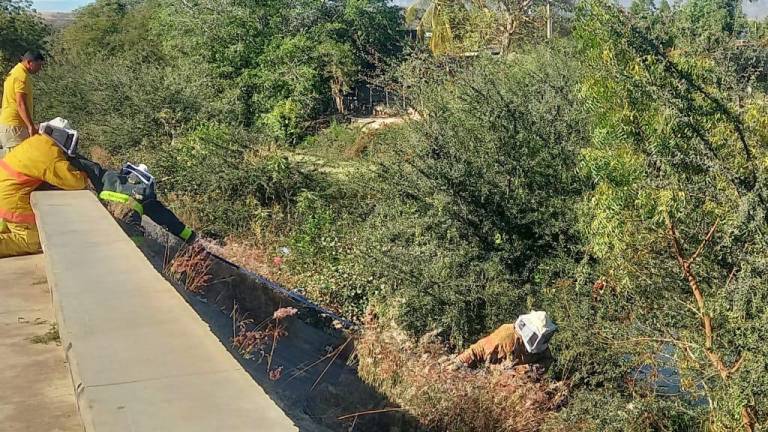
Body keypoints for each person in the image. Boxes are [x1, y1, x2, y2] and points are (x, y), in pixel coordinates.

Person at [0, 118, 87, 258]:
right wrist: (84, 175)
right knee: (31, 241)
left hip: (5, 190)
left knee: (13, 226)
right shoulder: (50, 155)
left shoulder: (36, 141)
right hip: (11, 200)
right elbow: (74, 182)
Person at [68, 153, 196, 244]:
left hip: (98, 218)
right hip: (129, 231)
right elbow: (168, 219)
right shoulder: (147, 195)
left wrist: (66, 156)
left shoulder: (108, 176)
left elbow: (88, 165)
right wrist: (189, 236)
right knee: (137, 243)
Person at [453, 311, 557, 372]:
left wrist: (528, 369)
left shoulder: (540, 346)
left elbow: (547, 360)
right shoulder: (505, 337)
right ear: (530, 332)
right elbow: (477, 351)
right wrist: (456, 366)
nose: (545, 339)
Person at [0, 50, 45, 156]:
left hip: (14, 126)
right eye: (39, 65)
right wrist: (31, 126)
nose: (40, 69)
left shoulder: (17, 72)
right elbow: (20, 103)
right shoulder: (21, 76)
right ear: (30, 62)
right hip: (15, 126)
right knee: (17, 163)